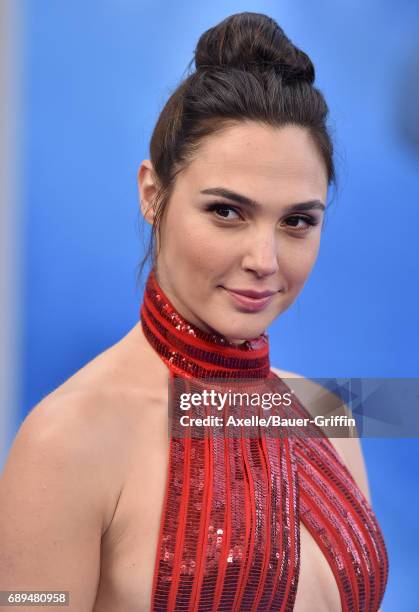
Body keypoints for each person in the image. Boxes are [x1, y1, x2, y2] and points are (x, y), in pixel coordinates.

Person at [0, 11, 388, 612]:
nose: (264, 259)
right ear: (154, 195)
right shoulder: (66, 442)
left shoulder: (327, 411)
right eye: (227, 212)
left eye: (297, 222)